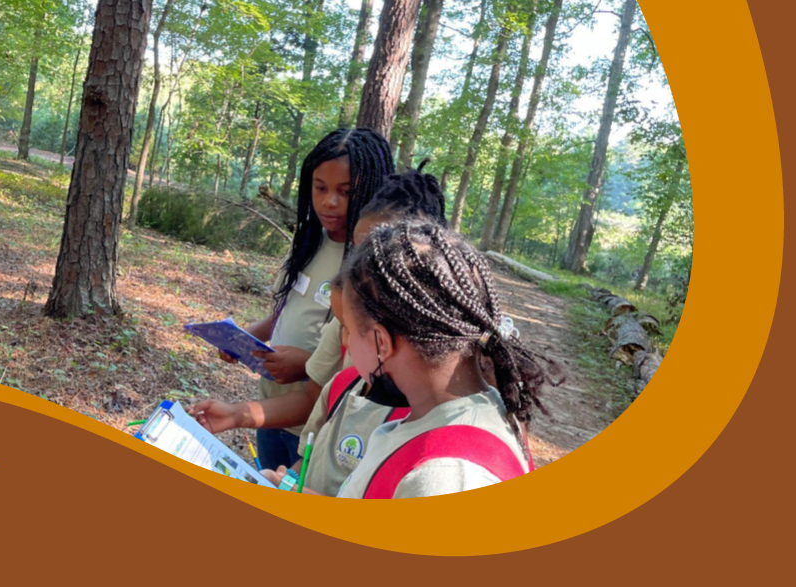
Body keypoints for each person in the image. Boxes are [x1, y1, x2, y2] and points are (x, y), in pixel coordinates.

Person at [199, 166, 450, 496]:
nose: (359, 267)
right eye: (357, 252)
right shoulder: (348, 377)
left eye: (374, 255)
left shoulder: (437, 429)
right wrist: (240, 420)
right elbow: (314, 446)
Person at [286, 220, 563, 498]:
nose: (345, 342)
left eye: (349, 329)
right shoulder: (446, 418)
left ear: (381, 342)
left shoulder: (446, 477)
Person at [202, 128, 394, 470]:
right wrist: (246, 337)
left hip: (315, 422)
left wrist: (306, 364)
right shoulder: (307, 242)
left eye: (345, 192)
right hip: (269, 408)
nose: (328, 202)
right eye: (319, 188)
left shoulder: (367, 264)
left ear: (370, 191)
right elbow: (286, 309)